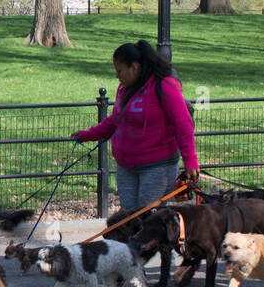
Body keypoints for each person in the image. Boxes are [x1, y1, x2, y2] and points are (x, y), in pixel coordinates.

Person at [73, 40, 199, 213]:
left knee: (147, 220)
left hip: (158, 167)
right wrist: (86, 135)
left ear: (134, 67)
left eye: (119, 70)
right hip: (127, 166)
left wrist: (190, 161)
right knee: (129, 218)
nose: (117, 75)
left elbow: (183, 124)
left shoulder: (165, 86)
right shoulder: (124, 89)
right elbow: (115, 120)